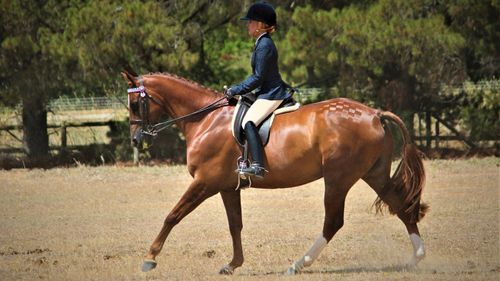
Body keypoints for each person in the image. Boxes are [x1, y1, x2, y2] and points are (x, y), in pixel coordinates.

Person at [226, 2, 292, 178]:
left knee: (248, 122)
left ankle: (257, 165)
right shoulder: (261, 42)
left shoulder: (264, 45)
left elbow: (258, 77)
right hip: (266, 91)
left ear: (261, 25)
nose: (248, 25)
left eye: (250, 22)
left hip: (272, 94)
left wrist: (236, 89)